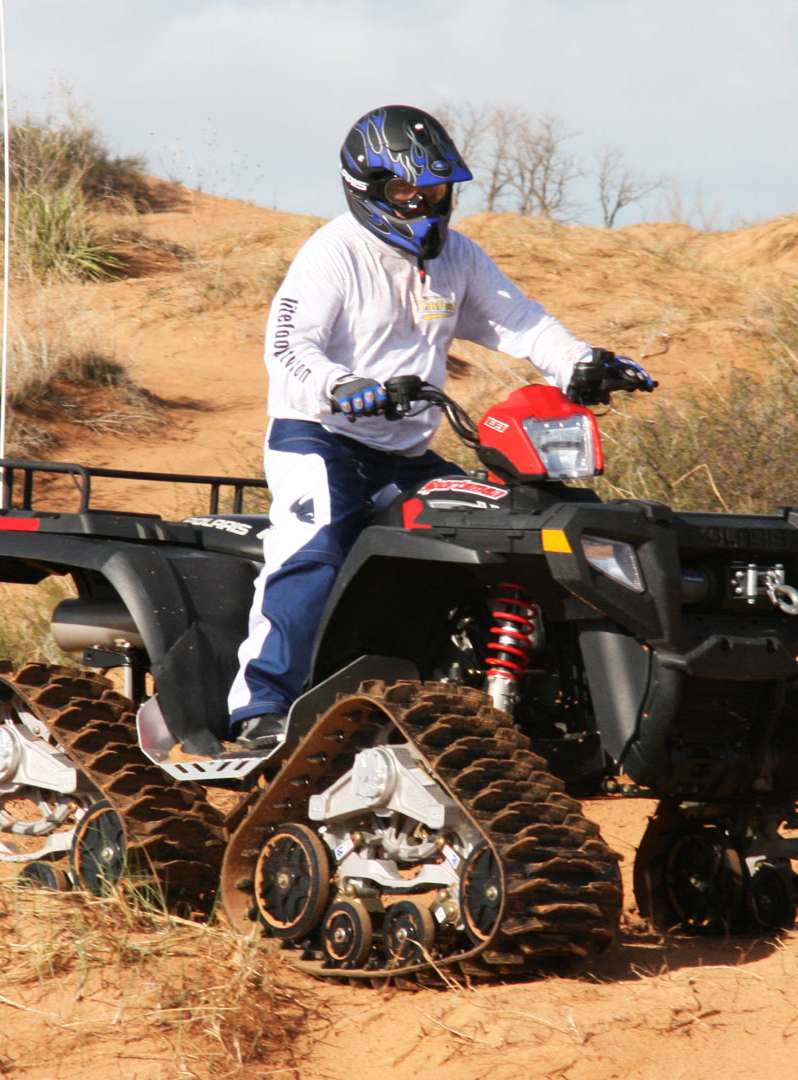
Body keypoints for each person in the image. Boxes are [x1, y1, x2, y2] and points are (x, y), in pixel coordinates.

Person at [224, 104, 656, 749]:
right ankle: (260, 707)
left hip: (409, 452)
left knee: (492, 534)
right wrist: (343, 387)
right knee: (313, 546)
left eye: (435, 190)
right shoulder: (332, 254)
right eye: (407, 191)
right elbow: (288, 350)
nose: (425, 203)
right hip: (320, 438)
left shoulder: (456, 256)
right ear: (367, 190)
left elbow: (522, 322)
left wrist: (582, 362)